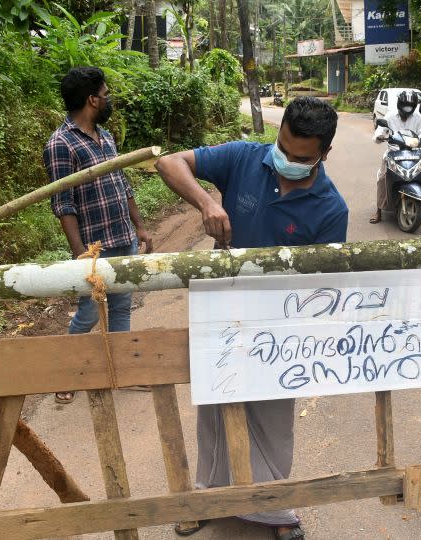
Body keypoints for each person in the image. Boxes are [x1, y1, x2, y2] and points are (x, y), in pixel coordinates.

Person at [155, 96, 347, 540]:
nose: (286, 161)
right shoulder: (244, 157)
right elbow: (168, 163)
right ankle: (209, 497)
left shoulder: (331, 208)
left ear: (323, 154)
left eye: (301, 158)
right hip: (220, 311)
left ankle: (273, 509)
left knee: (273, 416)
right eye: (282, 147)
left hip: (281, 327)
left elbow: (324, 287)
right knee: (215, 407)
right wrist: (206, 202)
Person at [44, 66, 152, 405]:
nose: (109, 101)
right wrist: (80, 254)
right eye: (106, 95)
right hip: (94, 246)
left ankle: (120, 371)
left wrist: (139, 226)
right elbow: (63, 202)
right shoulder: (60, 144)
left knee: (121, 306)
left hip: (123, 237)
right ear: (92, 100)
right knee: (90, 312)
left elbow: (122, 182)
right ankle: (68, 372)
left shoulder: (105, 136)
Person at [370, 90, 421, 223]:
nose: (407, 110)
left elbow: (420, 132)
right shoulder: (390, 115)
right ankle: (379, 211)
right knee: (382, 178)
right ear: (400, 104)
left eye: (410, 107)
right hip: (393, 151)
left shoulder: (417, 116)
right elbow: (380, 131)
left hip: (414, 151)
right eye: (405, 106)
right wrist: (379, 136)